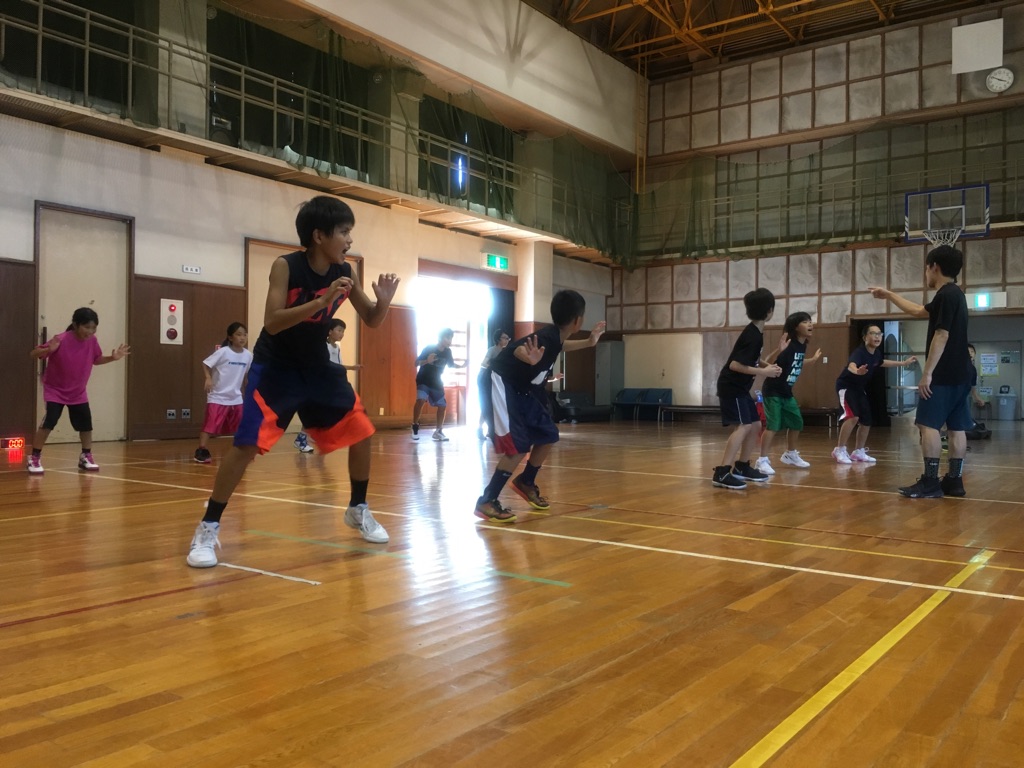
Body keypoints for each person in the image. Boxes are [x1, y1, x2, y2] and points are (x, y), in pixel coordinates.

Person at [186, 195, 400, 568]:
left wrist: (383, 302)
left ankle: (358, 508)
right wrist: (320, 302)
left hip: (316, 366)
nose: (349, 240)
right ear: (319, 235)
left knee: (363, 430)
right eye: (344, 232)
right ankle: (207, 527)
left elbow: (371, 319)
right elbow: (272, 321)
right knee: (246, 446)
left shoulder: (344, 271)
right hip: (276, 367)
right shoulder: (285, 266)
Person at [475, 290, 605, 521]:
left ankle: (526, 481)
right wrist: (528, 358)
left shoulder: (556, 337)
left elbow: (561, 346)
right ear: (578, 320)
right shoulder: (544, 338)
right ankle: (487, 500)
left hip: (523, 389)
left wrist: (589, 342)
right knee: (518, 446)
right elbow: (518, 348)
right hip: (501, 383)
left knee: (548, 434)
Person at [869, 245, 971, 497]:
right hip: (962, 374)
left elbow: (941, 334)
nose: (926, 273)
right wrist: (889, 295)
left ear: (934, 267)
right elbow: (917, 310)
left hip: (943, 374)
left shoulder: (945, 295)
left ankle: (930, 481)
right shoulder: (955, 295)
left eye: (926, 268)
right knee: (956, 427)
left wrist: (927, 373)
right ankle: (954, 481)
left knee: (928, 425)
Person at [27, 307, 130, 474]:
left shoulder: (92, 341)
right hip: (55, 390)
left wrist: (113, 358)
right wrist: (48, 350)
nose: (90, 331)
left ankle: (86, 456)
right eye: (86, 327)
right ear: (75, 325)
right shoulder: (61, 339)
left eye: (93, 328)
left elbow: (96, 359)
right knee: (49, 422)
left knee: (86, 425)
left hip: (78, 392)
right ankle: (34, 457)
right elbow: (33, 353)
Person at [712, 288, 783, 490]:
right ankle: (722, 472)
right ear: (769, 311)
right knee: (744, 426)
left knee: (756, 425)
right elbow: (735, 365)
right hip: (731, 387)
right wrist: (764, 372)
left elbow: (751, 359)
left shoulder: (755, 332)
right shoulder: (752, 335)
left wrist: (766, 366)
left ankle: (742, 467)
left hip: (740, 388)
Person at [831, 324, 917, 465]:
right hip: (846, 387)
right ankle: (839, 450)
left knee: (866, 420)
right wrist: (857, 371)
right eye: (873, 333)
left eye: (879, 334)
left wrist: (903, 363)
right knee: (853, 417)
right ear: (865, 337)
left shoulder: (876, 353)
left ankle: (858, 452)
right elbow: (851, 365)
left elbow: (882, 362)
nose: (877, 336)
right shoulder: (859, 352)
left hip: (859, 388)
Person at [754, 311, 822, 475]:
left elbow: (796, 361)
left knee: (796, 422)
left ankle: (790, 454)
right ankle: (762, 460)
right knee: (773, 425)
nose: (810, 324)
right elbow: (766, 363)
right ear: (795, 327)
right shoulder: (789, 344)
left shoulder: (802, 345)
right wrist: (779, 350)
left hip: (786, 392)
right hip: (773, 391)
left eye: (810, 321)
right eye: (805, 322)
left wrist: (812, 360)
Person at [194, 322, 253, 464]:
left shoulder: (248, 355)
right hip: (218, 396)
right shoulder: (223, 352)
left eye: (244, 335)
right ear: (230, 337)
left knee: (241, 425)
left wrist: (249, 388)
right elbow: (205, 363)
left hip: (236, 397)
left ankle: (242, 451)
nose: (242, 338)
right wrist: (208, 378)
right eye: (238, 334)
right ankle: (201, 450)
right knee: (210, 425)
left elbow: (246, 376)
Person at [294, 318, 351, 453]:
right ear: (330, 331)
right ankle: (302, 438)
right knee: (315, 413)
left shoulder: (337, 348)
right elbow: (323, 365)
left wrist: (351, 369)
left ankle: (316, 436)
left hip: (332, 385)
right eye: (339, 330)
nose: (341, 334)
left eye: (343, 331)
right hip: (321, 385)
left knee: (324, 414)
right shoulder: (322, 346)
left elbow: (338, 365)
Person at [412, 328, 466, 442]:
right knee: (421, 400)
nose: (450, 340)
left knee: (442, 406)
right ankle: (415, 425)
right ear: (440, 338)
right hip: (423, 380)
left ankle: (438, 431)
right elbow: (416, 363)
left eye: (451, 338)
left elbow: (451, 365)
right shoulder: (429, 348)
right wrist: (427, 361)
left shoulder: (448, 352)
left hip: (436, 381)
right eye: (447, 338)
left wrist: (462, 366)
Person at [477, 328, 510, 439]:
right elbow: (483, 363)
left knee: (495, 405)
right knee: (487, 404)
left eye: (508, 338)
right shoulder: (492, 350)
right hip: (485, 379)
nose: (507, 340)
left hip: (496, 381)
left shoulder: (505, 352)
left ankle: (491, 430)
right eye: (505, 338)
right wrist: (493, 369)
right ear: (498, 339)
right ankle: (480, 428)